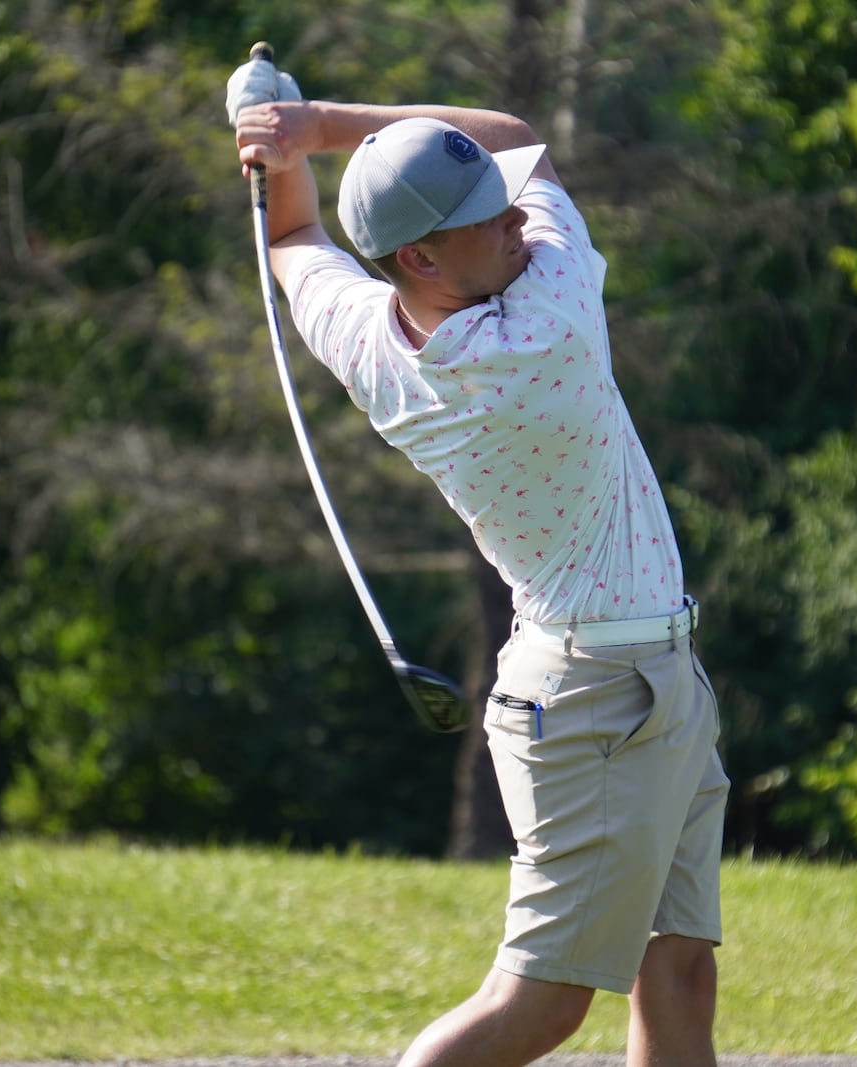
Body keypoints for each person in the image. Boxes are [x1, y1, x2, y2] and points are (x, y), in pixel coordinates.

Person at [227, 56, 730, 1067]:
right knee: (537, 1006)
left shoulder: (371, 333)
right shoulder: (548, 315)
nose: (511, 219)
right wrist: (315, 123)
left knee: (677, 967)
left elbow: (291, 237)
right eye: (484, 218)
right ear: (418, 256)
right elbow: (507, 128)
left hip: (649, 674)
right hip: (595, 699)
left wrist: (273, 149)